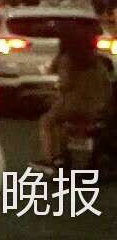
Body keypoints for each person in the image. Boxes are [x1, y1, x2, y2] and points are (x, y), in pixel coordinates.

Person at [38, 24, 114, 168]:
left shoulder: (67, 60)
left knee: (47, 122)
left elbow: (65, 84)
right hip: (95, 107)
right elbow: (107, 85)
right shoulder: (97, 61)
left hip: (71, 106)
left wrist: (58, 87)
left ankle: (52, 158)